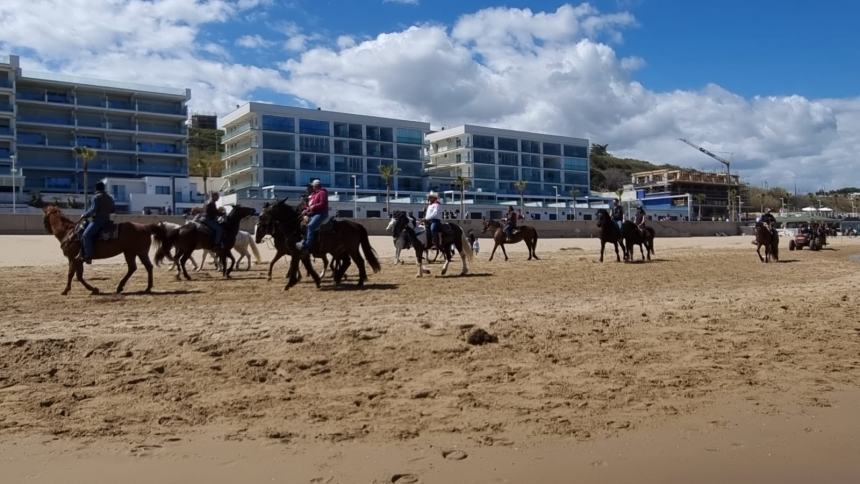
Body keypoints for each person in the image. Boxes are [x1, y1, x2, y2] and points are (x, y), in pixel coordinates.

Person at [78, 181, 115, 264]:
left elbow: (93, 210)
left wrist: (84, 215)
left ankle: (88, 256)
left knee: (86, 235)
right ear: (103, 188)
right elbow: (113, 209)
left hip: (98, 221)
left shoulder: (96, 197)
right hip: (107, 220)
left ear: (96, 188)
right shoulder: (110, 197)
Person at [297, 179, 329, 253]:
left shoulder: (322, 193)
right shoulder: (315, 194)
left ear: (316, 186)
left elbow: (322, 204)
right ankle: (304, 240)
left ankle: (307, 245)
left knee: (310, 226)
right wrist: (306, 210)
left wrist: (312, 207)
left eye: (313, 186)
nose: (312, 187)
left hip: (321, 213)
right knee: (303, 224)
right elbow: (311, 206)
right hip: (314, 213)